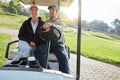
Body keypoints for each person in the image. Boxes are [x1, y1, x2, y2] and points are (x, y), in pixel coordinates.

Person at [34, 5, 70, 74]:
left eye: (53, 10)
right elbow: (41, 31)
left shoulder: (60, 23)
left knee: (63, 56)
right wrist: (43, 28)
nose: (51, 12)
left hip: (58, 43)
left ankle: (65, 74)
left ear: (57, 12)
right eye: (50, 10)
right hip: (47, 43)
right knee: (37, 51)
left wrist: (51, 25)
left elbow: (61, 28)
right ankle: (47, 70)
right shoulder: (46, 21)